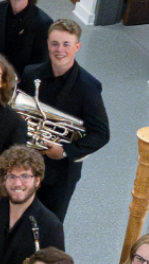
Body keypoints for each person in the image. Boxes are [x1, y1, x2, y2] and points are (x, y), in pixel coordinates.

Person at [21, 19, 111, 221]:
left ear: (77, 47)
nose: (59, 50)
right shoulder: (31, 73)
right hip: (27, 162)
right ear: (47, 44)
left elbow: (102, 134)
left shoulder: (89, 87)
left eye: (66, 44)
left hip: (60, 174)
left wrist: (64, 151)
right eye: (54, 43)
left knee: (48, 223)